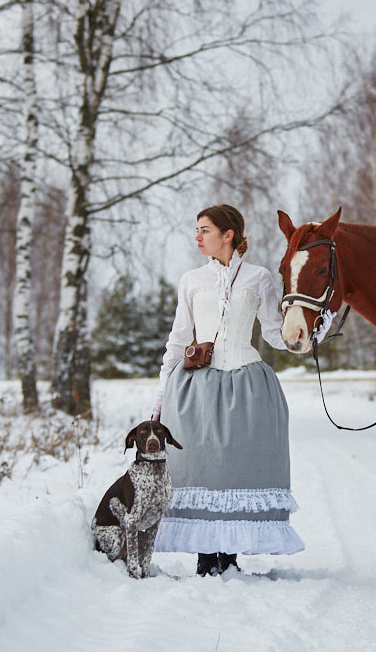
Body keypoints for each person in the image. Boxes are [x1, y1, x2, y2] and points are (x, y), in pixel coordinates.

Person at [151, 204, 303, 576]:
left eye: (205, 230)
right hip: (195, 389)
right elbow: (178, 341)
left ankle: (230, 557)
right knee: (200, 469)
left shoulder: (258, 277)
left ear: (228, 234)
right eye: (197, 230)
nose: (198, 237)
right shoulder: (191, 280)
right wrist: (160, 397)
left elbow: (272, 333)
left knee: (237, 470)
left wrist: (303, 334)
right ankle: (205, 557)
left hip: (246, 385)